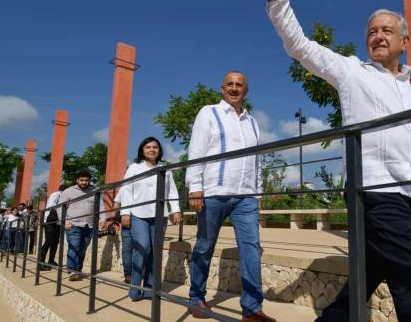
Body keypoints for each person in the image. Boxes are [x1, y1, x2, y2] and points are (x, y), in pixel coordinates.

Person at [246, 0, 411, 322]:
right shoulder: (352, 72)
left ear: (404, 42)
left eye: (387, 30)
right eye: (372, 31)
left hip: (405, 198)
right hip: (374, 192)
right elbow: (299, 45)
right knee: (409, 277)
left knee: (364, 281)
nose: (378, 36)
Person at [186, 71, 272, 322]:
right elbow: (197, 150)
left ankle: (252, 308)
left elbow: (256, 159)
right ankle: (196, 298)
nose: (234, 88)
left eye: (239, 85)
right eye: (230, 84)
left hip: (246, 196)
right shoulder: (208, 112)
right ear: (222, 88)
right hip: (214, 192)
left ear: (246, 90)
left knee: (251, 249)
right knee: (204, 246)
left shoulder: (252, 121)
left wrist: (258, 192)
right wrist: (195, 187)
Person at [115, 137, 182, 301]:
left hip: (160, 215)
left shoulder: (164, 168)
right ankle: (135, 287)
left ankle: (149, 290)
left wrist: (176, 210)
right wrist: (125, 212)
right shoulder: (135, 167)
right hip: (139, 213)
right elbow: (126, 189)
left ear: (159, 150)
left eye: (155, 147)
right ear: (142, 150)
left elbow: (171, 190)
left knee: (155, 251)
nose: (152, 150)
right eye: (148, 147)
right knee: (142, 247)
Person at [58, 170, 107, 281]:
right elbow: (60, 207)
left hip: (89, 225)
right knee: (74, 246)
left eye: (86, 180)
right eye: (82, 180)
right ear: (77, 180)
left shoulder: (94, 191)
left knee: (82, 249)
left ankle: (78, 270)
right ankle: (72, 270)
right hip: (73, 224)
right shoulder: (68, 191)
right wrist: (65, 221)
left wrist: (103, 218)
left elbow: (101, 206)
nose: (84, 182)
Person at [38, 184, 66, 271]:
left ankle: (51, 261)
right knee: (48, 241)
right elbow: (51, 206)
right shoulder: (56, 194)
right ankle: (41, 263)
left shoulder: (61, 196)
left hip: (57, 222)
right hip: (50, 221)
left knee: (55, 242)